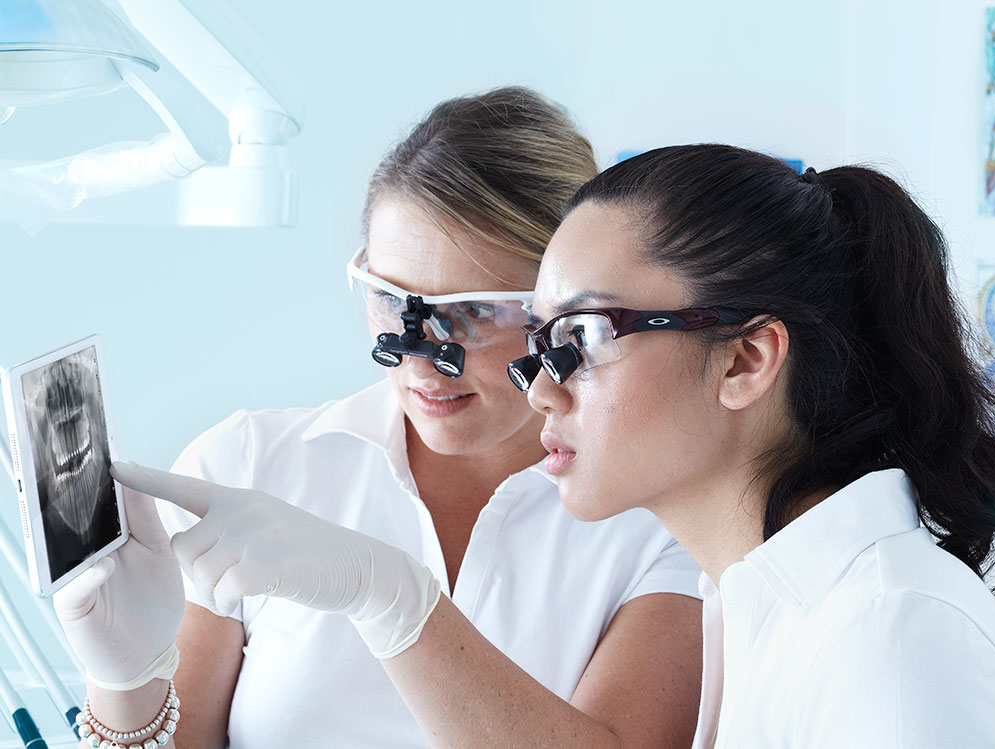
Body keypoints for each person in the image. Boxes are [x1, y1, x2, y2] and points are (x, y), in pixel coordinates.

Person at [55, 89, 703, 748]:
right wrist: (125, 682)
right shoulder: (249, 466)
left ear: (566, 308)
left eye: (475, 310)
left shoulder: (661, 524)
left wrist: (394, 600)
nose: (422, 358)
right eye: (392, 300)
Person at [510, 144, 995, 747]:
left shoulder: (891, 633)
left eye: (582, 335)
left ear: (746, 360)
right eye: (540, 341)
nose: (540, 390)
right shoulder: (754, 613)